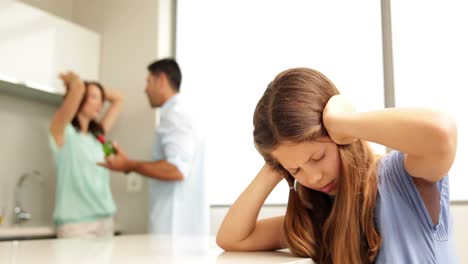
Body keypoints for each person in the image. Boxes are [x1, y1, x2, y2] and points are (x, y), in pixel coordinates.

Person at [216, 68, 459, 264]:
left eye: (318, 157)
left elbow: (441, 133)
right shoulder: (319, 213)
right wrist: (275, 165)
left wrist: (342, 122)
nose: (314, 178)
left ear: (340, 137)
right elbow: (233, 238)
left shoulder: (401, 179)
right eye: (296, 171)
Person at [99, 58, 208, 236]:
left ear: (162, 80)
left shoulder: (175, 116)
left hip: (174, 229)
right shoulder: (180, 115)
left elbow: (175, 170)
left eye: (148, 82)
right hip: (180, 229)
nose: (145, 89)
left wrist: (129, 165)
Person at [49, 72, 123, 238]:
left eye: (101, 98)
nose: (100, 103)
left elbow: (119, 98)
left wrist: (96, 90)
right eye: (93, 98)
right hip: (76, 225)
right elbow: (78, 88)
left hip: (106, 218)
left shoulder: (99, 137)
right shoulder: (62, 132)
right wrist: (74, 81)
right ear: (80, 99)